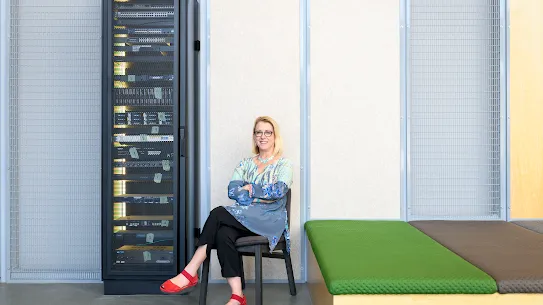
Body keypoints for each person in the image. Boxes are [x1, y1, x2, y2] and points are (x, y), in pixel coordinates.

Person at [160, 116, 293, 305]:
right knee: (223, 234)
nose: (263, 136)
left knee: (218, 213)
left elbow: (279, 191)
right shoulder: (245, 163)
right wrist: (257, 194)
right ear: (254, 137)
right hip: (245, 217)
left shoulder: (284, 164)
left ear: (274, 136)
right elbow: (233, 191)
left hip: (269, 220)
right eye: (258, 132)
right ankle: (237, 295)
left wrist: (251, 189)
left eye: (267, 132)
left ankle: (190, 270)